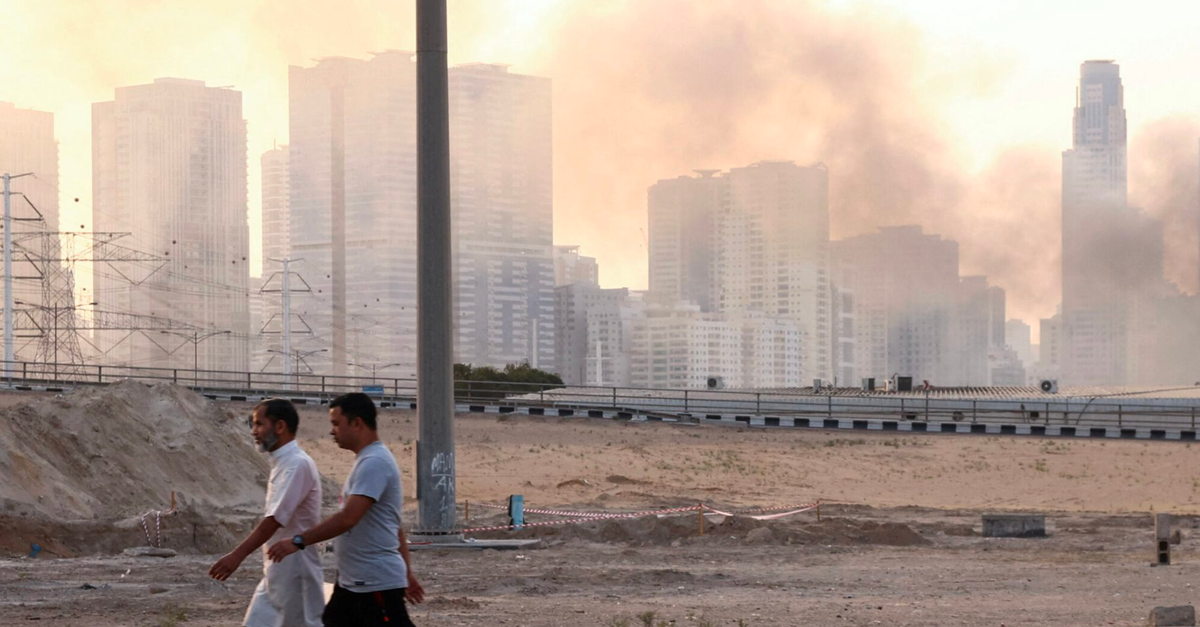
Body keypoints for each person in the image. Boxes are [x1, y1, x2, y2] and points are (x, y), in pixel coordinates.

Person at [267, 392, 423, 627]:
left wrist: (298, 541)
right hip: (353, 584)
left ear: (357, 423)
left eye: (336, 424)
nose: (332, 431)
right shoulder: (366, 461)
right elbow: (394, 526)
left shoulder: (375, 462)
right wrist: (407, 573)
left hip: (374, 584)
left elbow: (348, 518)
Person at [210, 398, 325, 627]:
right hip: (277, 572)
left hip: (296, 575)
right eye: (253, 425)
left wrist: (236, 556)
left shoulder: (297, 464)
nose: (254, 431)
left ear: (280, 426)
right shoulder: (282, 462)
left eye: (259, 424)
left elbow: (274, 520)